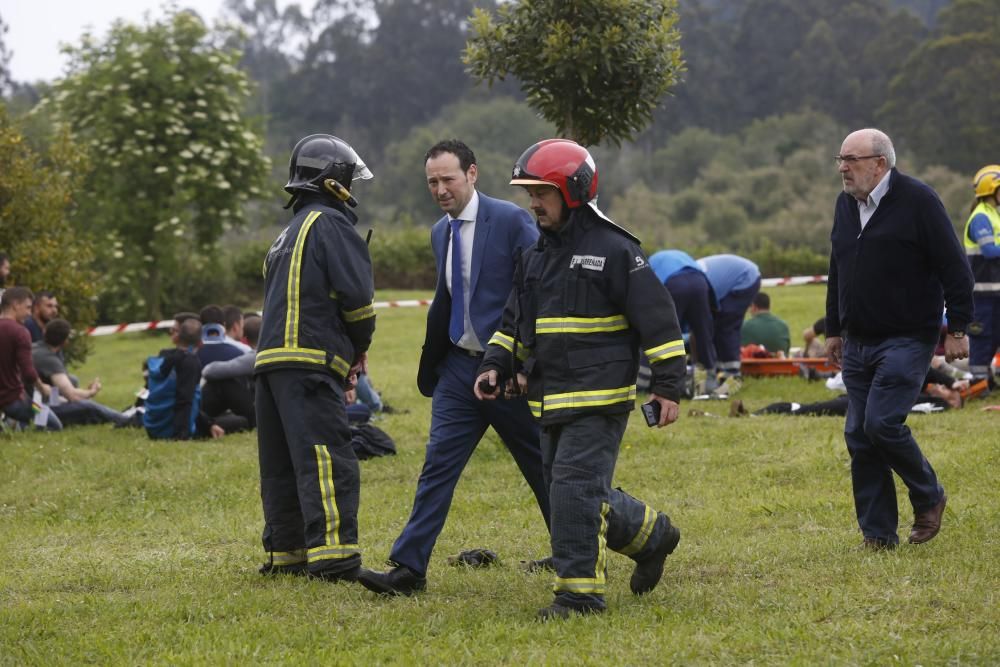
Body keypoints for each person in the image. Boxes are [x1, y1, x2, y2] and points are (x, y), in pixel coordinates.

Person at [474, 139, 686, 620]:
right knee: (576, 492)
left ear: (572, 191)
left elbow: (660, 322)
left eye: (541, 193)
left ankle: (579, 595)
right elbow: (513, 326)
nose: (533, 203)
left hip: (600, 397)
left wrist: (669, 386)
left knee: (572, 489)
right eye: (529, 193)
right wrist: (494, 365)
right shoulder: (534, 257)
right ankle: (654, 536)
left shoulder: (616, 250)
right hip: (551, 399)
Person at [357, 139, 550, 597]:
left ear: (473, 174)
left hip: (505, 371)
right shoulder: (438, 232)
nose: (440, 189)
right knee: (437, 465)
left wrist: (524, 362)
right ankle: (409, 568)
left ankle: (608, 540)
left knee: (545, 465)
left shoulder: (510, 220)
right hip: (457, 370)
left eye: (448, 179)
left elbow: (536, 291)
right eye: (432, 182)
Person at [825, 128, 974, 551]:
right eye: (840, 159)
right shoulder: (845, 205)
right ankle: (878, 535)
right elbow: (839, 267)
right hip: (858, 339)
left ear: (879, 164)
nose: (842, 168)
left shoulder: (919, 201)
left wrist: (958, 327)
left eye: (850, 159)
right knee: (858, 434)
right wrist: (833, 328)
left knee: (882, 423)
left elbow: (953, 265)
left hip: (908, 337)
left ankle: (929, 494)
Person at [254, 133, 376, 581]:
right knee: (326, 456)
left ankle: (287, 554)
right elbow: (357, 302)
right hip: (309, 361)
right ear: (334, 180)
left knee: (282, 464)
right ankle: (335, 556)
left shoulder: (284, 234)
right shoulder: (332, 225)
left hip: (269, 366)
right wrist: (359, 347)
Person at [32, 318, 131, 427]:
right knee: (88, 406)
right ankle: (126, 419)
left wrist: (66, 400)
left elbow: (55, 392)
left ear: (44, 332)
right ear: (65, 342)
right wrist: (91, 392)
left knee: (72, 380)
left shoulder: (36, 348)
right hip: (37, 411)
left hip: (33, 400)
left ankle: (116, 415)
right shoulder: (49, 359)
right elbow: (72, 396)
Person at [648, 249, 718, 391]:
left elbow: (648, 295)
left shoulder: (648, 263)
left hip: (673, 284)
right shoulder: (683, 256)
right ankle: (709, 381)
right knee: (703, 333)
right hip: (700, 283)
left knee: (667, 336)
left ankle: (667, 381)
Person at [697, 254, 761, 391]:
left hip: (745, 278)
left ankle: (732, 375)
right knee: (714, 326)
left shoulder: (691, 284)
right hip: (733, 277)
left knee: (726, 325)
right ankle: (718, 370)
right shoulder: (689, 278)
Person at [0, 287, 59, 430]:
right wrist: (42, 388)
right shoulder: (20, 332)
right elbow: (28, 372)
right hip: (12, 400)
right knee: (54, 425)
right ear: (15, 305)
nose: (29, 313)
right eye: (27, 307)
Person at [963, 165, 1000, 385]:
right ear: (991, 190)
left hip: (996, 290)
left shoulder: (994, 215)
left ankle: (990, 378)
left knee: (995, 337)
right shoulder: (980, 218)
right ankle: (978, 382)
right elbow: (989, 251)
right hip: (982, 292)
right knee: (982, 337)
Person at [201, 312, 261, 432]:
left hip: (257, 412)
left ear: (244, 338)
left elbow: (209, 371)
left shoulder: (254, 357)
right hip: (262, 407)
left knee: (225, 382)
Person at [740, 292, 790, 357]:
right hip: (780, 366)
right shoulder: (783, 326)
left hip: (754, 366)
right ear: (769, 306)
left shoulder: (745, 327)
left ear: (754, 307)